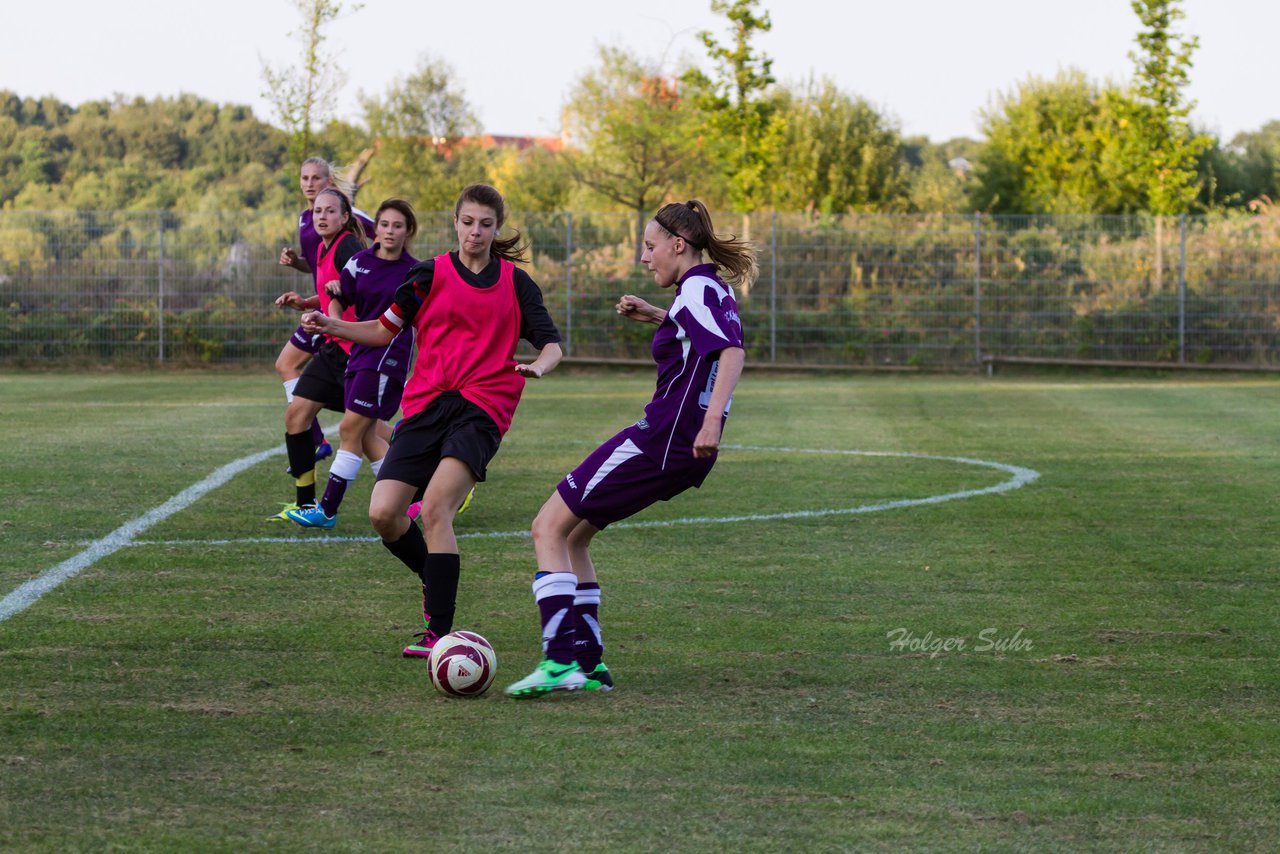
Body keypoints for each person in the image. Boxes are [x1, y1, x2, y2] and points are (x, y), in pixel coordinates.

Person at [300, 183, 563, 658]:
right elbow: (382, 331)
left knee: (437, 507)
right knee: (383, 513)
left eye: (485, 224)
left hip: (483, 408)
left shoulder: (515, 282)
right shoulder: (427, 275)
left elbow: (552, 344)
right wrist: (332, 323)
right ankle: (434, 573)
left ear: (496, 228)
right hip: (426, 404)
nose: (475, 232)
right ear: (455, 223)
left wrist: (539, 366)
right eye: (468, 222)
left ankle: (438, 633)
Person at [505, 199, 754, 698]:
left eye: (649, 246)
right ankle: (591, 665)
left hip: (663, 439)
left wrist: (711, 423)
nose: (645, 257)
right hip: (677, 448)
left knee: (546, 526)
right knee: (575, 538)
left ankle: (559, 663)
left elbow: (731, 350)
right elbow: (702, 333)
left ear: (677, 245)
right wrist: (658, 316)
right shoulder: (707, 289)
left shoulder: (699, 288)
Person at [286, 198, 419, 529]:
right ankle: (416, 500)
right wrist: (333, 322)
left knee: (352, 430)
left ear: (408, 232)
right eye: (385, 224)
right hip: (358, 354)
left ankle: (327, 510)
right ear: (377, 227)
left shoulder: (415, 273)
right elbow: (339, 298)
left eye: (397, 226)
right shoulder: (359, 262)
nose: (389, 231)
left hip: (387, 360)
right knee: (364, 436)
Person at [271, 158, 374, 514]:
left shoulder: (348, 247)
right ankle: (305, 504)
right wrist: (306, 301)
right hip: (333, 351)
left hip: (355, 354)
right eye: (317, 211)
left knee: (369, 434)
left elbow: (366, 289)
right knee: (296, 417)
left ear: (345, 217)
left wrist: (343, 294)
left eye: (330, 211)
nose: (321, 216)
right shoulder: (323, 247)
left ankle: (422, 488)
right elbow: (333, 292)